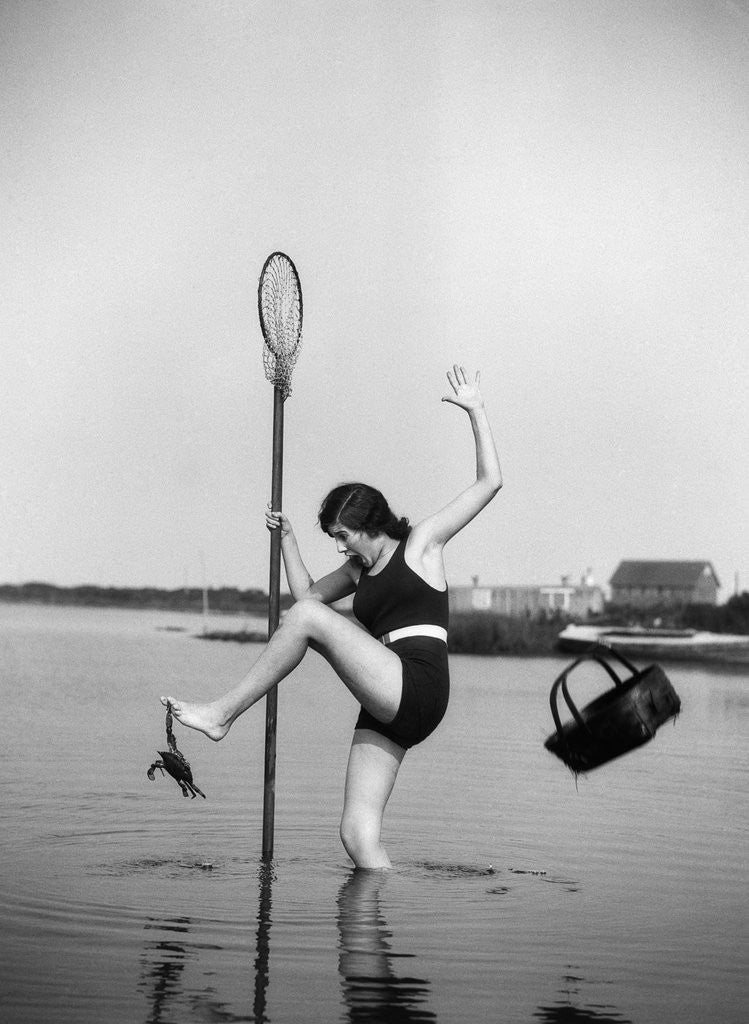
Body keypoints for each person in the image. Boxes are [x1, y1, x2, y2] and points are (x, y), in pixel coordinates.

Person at [162, 365, 502, 868]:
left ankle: (222, 714)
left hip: (419, 684)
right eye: (333, 539)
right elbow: (306, 598)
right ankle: (373, 931)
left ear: (370, 524)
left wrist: (475, 409)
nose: (341, 547)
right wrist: (288, 541)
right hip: (389, 699)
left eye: (343, 535)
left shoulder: (422, 544)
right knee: (356, 836)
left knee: (304, 619)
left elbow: (490, 481)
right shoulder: (355, 571)